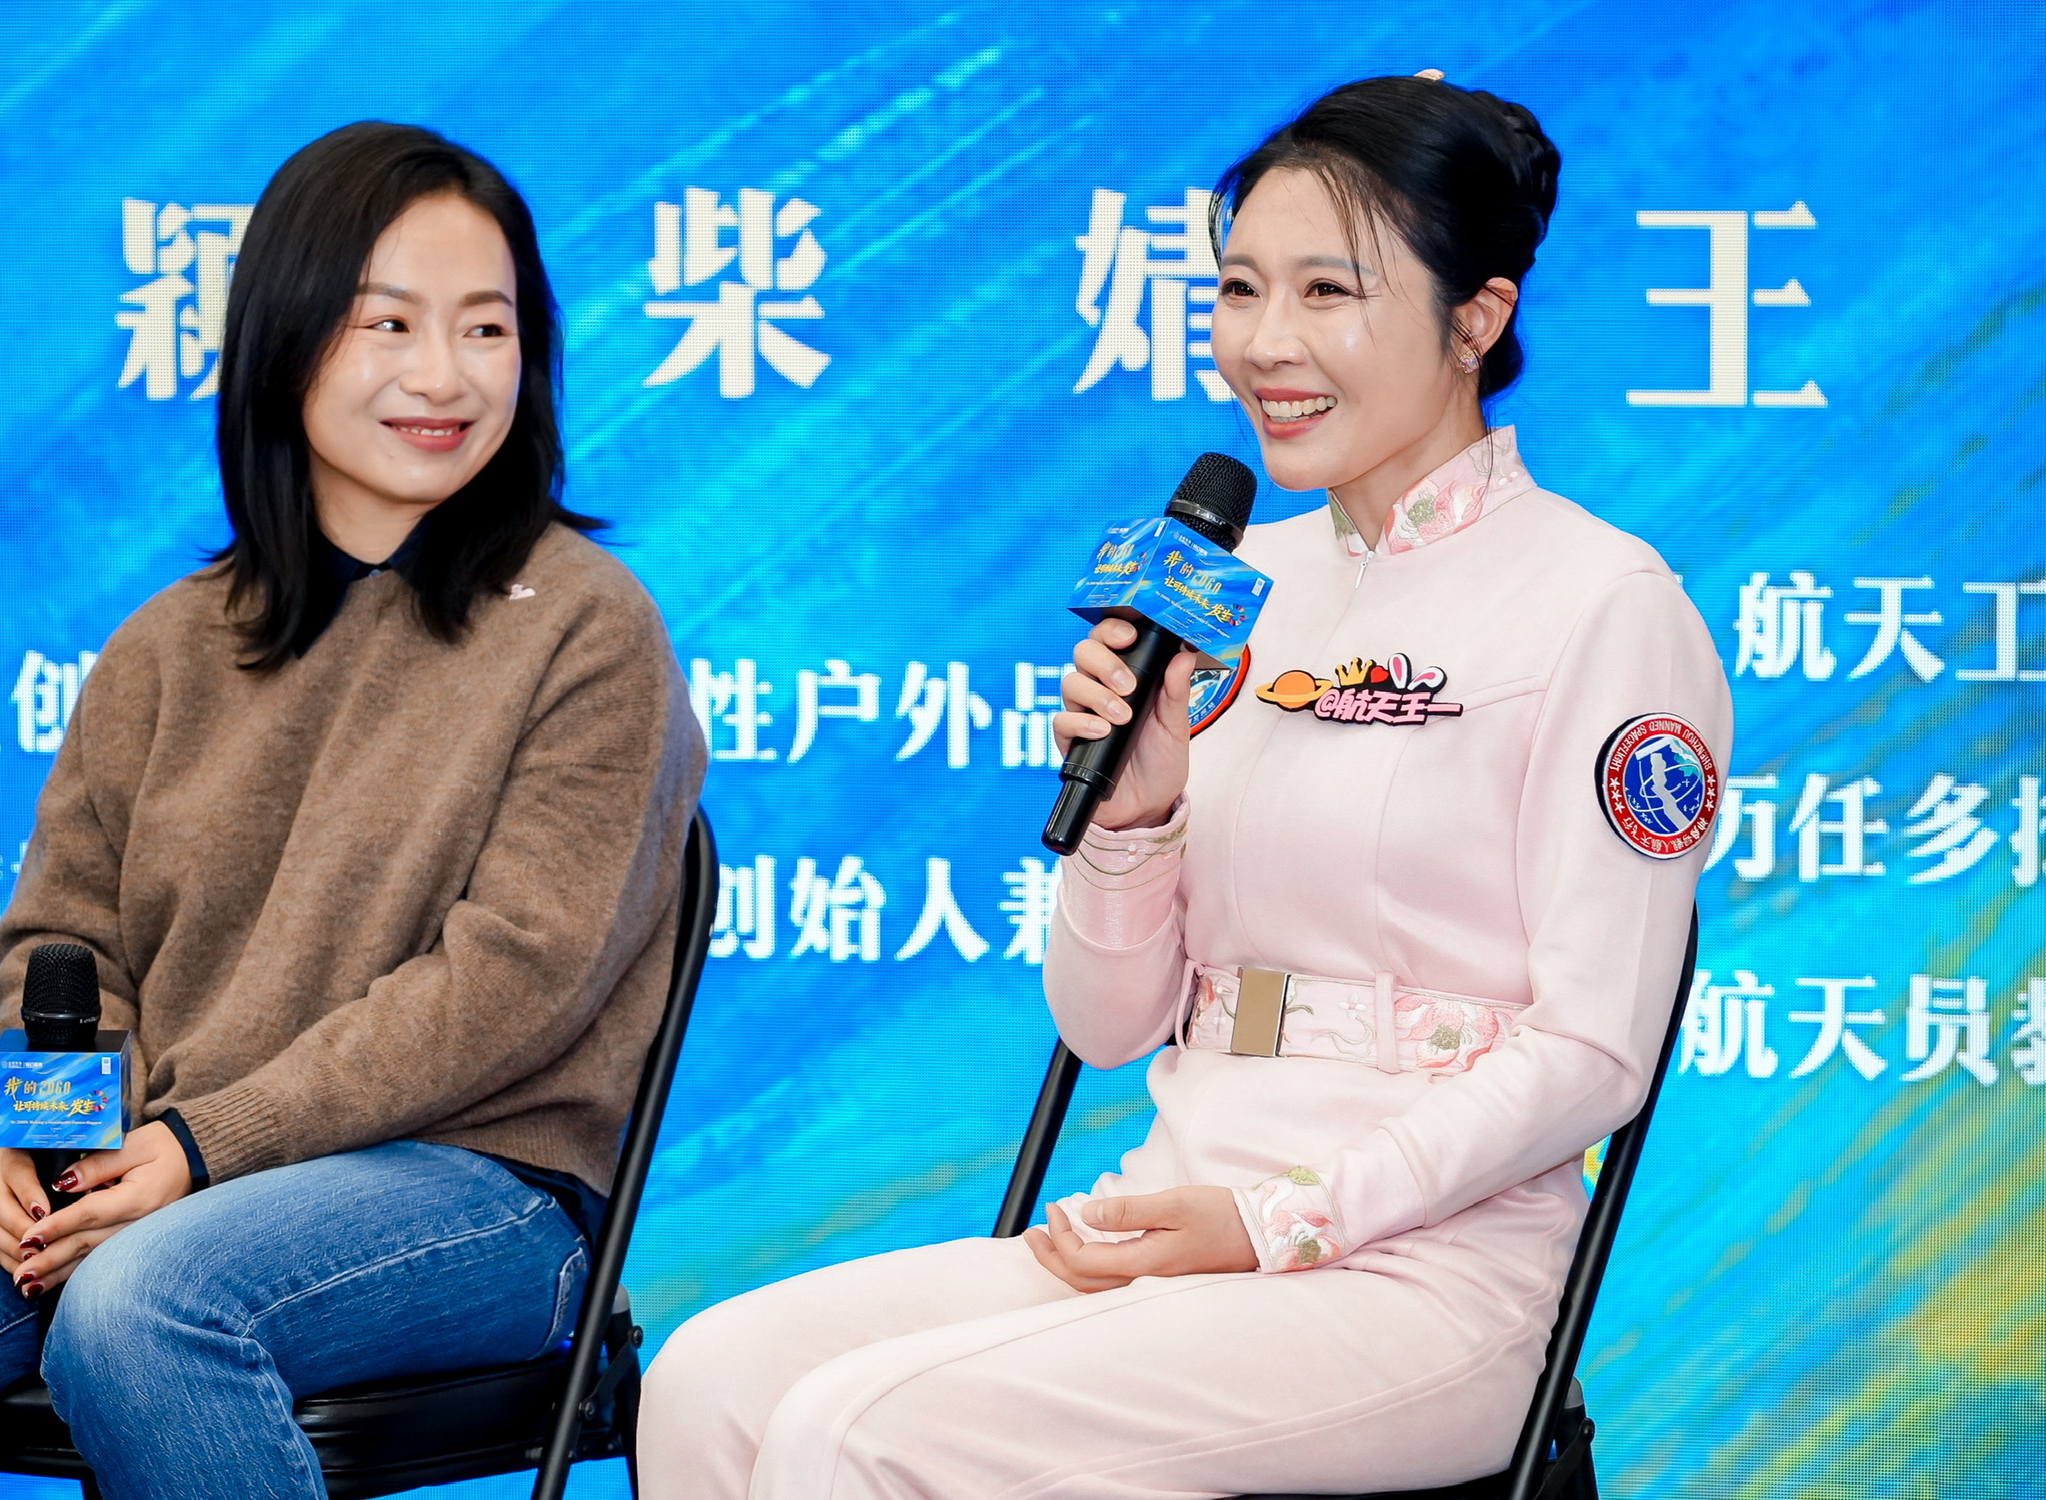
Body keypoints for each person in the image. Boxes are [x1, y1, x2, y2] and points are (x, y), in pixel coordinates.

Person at [639, 72, 1730, 1498]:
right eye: (1238, 288)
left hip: (1424, 1283)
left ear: (1476, 319)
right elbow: (1104, 1029)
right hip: (1168, 1213)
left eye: (1327, 292)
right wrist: (1134, 815)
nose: (1265, 343)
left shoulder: (1601, 602)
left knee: (857, 1433)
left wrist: (1281, 1220)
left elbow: (1593, 1051)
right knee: (710, 1381)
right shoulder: (1234, 587)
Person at [0, 121, 704, 1500]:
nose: (444, 373)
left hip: (488, 1192)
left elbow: (514, 979)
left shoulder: (585, 626)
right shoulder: (169, 644)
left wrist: (204, 1148)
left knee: (143, 1311)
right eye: (387, 322)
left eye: (486, 327)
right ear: (284, 341)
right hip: (162, 1156)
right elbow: (63, 946)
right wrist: (58, 1131)